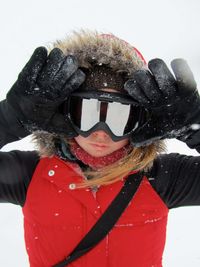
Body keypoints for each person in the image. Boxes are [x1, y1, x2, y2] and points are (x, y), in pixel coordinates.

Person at [0, 30, 200, 267]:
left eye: (119, 116)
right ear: (65, 113)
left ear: (139, 121)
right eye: (88, 113)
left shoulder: (161, 176)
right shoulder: (30, 175)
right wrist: (8, 119)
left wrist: (194, 126)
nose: (101, 132)